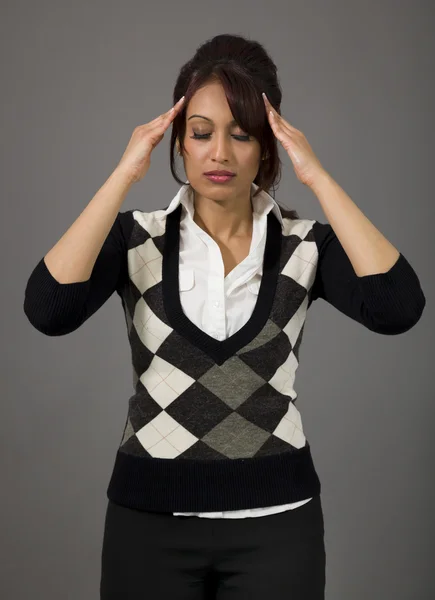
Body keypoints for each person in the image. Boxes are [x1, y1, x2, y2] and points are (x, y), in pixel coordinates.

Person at [23, 33, 425, 600]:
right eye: (202, 133)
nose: (220, 153)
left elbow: (399, 308)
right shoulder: (133, 239)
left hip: (280, 528)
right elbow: (47, 310)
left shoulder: (306, 247)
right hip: (148, 526)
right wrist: (122, 175)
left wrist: (317, 177)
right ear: (179, 144)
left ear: (267, 147)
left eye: (242, 134)